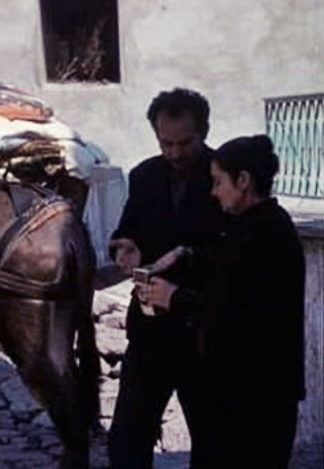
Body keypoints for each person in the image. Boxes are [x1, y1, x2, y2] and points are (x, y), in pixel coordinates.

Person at [141, 134, 305, 468]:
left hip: (256, 395)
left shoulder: (267, 233)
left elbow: (236, 310)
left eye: (218, 182)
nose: (213, 192)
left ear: (243, 181)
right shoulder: (246, 227)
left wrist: (172, 298)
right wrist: (183, 255)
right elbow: (220, 266)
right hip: (233, 389)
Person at [107, 88, 224, 469]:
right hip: (149, 331)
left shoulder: (223, 176)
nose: (174, 153)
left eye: (184, 143)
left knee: (213, 439)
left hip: (203, 333)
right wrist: (124, 249)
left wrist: (184, 276)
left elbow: (233, 253)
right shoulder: (144, 176)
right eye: (165, 143)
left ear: (204, 132)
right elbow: (126, 231)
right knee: (127, 440)